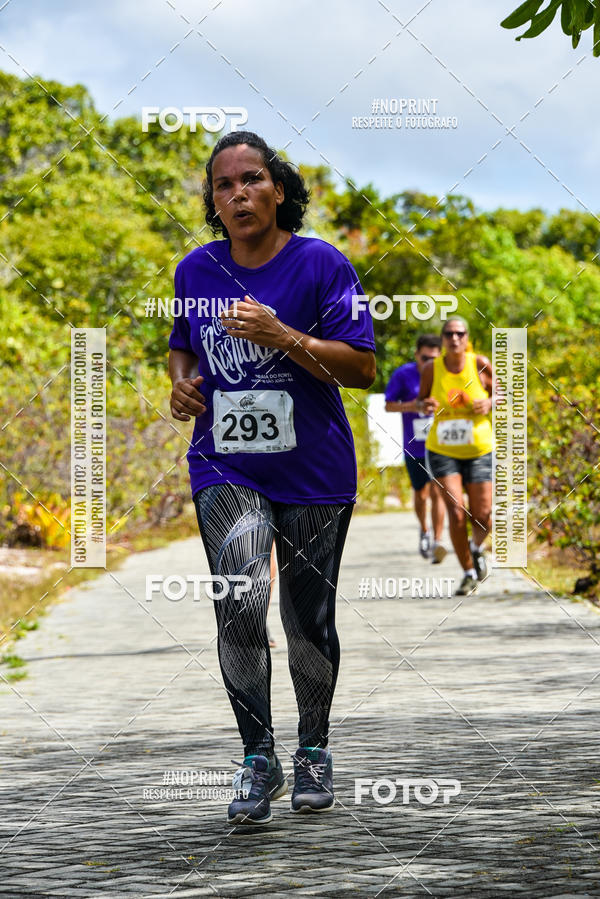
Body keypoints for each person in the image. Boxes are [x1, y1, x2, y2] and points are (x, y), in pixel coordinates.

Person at [168, 131, 375, 825]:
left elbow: (360, 368)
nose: (239, 193)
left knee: (307, 617)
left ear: (277, 189)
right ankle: (259, 756)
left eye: (252, 179)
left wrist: (284, 335)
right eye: (224, 186)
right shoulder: (195, 272)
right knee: (240, 597)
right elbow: (180, 351)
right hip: (224, 464)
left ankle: (313, 746)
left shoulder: (321, 263)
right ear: (215, 203)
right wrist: (182, 388)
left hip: (314, 467)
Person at [417, 317, 494, 596]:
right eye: (449, 334)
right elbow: (421, 401)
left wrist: (489, 402)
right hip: (443, 450)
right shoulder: (431, 369)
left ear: (467, 336)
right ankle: (468, 572)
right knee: (456, 511)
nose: (454, 338)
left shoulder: (480, 363)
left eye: (460, 333)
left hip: (478, 449)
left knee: (483, 515)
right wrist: (425, 404)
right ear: (443, 338)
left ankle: (476, 548)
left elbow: (503, 396)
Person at [384, 335, 447, 563]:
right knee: (421, 493)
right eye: (424, 358)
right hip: (414, 447)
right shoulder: (403, 374)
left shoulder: (446, 373)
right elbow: (389, 405)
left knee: (437, 491)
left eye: (433, 358)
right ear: (416, 354)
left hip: (440, 444)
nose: (429, 363)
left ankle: (438, 541)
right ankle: (424, 530)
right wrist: (416, 405)